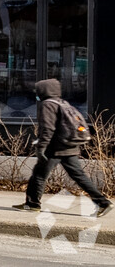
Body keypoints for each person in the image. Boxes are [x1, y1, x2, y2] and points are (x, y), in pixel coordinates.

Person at [17, 78, 110, 214]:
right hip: (69, 146)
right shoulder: (62, 102)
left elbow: (48, 128)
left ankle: (32, 204)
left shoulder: (47, 104)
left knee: (39, 175)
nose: (36, 93)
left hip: (55, 148)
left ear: (44, 90)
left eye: (38, 90)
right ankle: (103, 202)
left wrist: (41, 147)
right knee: (79, 176)